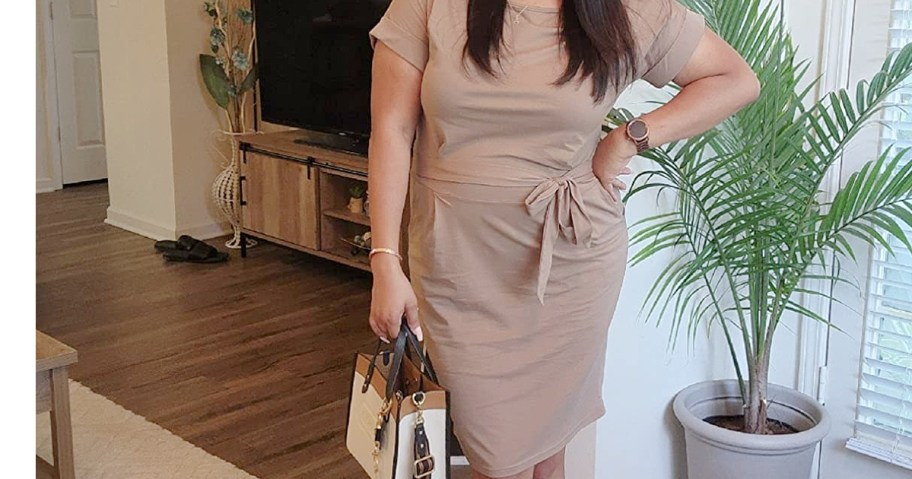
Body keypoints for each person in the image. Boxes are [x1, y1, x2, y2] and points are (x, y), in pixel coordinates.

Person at [365, 1, 759, 478]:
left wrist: (628, 138)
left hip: (573, 260)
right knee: (495, 457)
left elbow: (735, 79)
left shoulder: (621, 9)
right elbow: (392, 128)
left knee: (551, 449)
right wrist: (384, 259)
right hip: (458, 266)